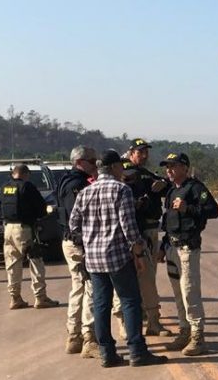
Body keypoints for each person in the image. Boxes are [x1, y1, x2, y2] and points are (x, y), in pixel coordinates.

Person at [69, 149, 168, 368]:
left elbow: (73, 224)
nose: (122, 169)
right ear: (114, 167)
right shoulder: (121, 190)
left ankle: (107, 353)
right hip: (118, 257)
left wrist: (88, 243)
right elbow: (129, 227)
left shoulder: (86, 192)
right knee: (130, 301)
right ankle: (137, 351)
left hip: (94, 260)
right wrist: (139, 252)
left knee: (101, 305)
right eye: (120, 166)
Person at [157, 152, 218, 356]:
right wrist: (162, 246)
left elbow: (213, 210)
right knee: (177, 293)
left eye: (173, 166)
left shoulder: (195, 188)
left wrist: (188, 208)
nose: (169, 170)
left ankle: (198, 337)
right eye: (167, 166)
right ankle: (184, 331)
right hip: (172, 248)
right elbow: (168, 222)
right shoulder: (171, 192)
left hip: (187, 248)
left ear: (185, 167)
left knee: (189, 292)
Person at [113, 138, 172, 337]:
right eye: (140, 152)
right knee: (130, 279)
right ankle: (126, 323)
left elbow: (164, 186)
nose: (144, 155)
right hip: (134, 234)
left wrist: (162, 182)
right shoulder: (127, 175)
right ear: (130, 153)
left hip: (149, 230)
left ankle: (152, 321)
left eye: (146, 152)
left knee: (148, 278)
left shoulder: (145, 174)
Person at [56, 146, 99, 357]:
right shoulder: (76, 185)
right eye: (92, 160)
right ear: (80, 162)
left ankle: (74, 336)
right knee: (89, 288)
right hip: (79, 243)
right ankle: (88, 338)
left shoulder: (67, 180)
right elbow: (78, 219)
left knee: (78, 288)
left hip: (71, 242)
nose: (96, 164)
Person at [0, 163, 59, 310]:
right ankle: (40, 297)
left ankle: (15, 298)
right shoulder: (27, 187)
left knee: (12, 264)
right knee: (35, 261)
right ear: (26, 174)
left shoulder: (4, 188)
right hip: (25, 229)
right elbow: (41, 208)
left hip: (8, 229)